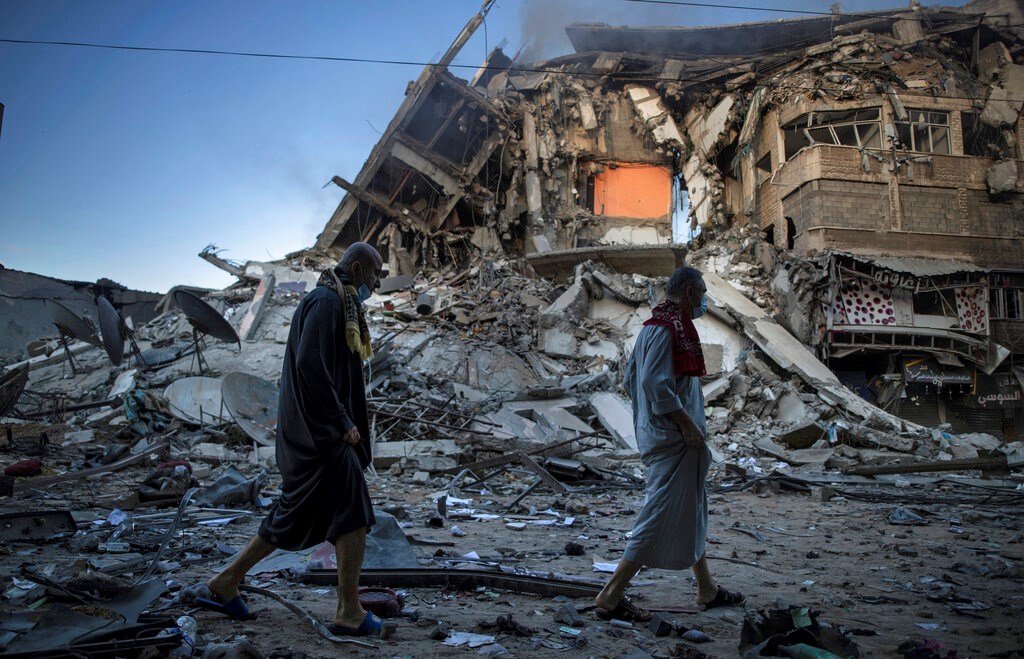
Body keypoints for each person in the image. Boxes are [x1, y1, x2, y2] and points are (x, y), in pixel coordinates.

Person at [199, 242, 385, 637]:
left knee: (296, 514)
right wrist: (340, 420)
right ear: (355, 267)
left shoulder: (338, 303)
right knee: (351, 511)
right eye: (375, 274)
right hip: (320, 434)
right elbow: (309, 364)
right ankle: (348, 611)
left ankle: (226, 580)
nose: (378, 283)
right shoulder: (326, 302)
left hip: (321, 432)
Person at [595, 266, 745, 622]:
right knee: (659, 514)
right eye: (703, 293)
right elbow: (653, 384)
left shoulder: (654, 328)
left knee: (692, 509)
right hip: (674, 439)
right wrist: (684, 426)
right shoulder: (666, 331)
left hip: (666, 435)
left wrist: (651, 420)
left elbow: (633, 381)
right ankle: (610, 595)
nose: (704, 300)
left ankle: (706, 587)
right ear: (691, 292)